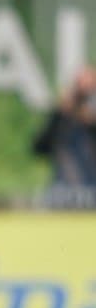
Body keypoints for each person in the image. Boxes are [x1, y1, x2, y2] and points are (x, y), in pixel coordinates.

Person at [32, 65, 96, 207]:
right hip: (64, 191)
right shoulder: (62, 119)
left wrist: (91, 122)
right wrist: (59, 114)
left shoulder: (91, 118)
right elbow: (38, 148)